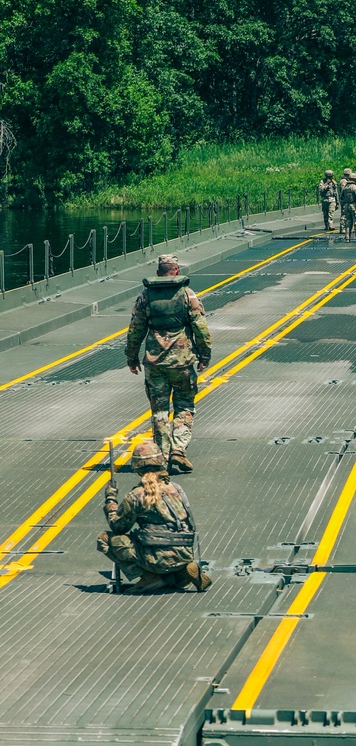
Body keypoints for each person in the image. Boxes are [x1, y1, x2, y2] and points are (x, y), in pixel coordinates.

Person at [126, 253, 211, 475]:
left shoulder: (146, 297)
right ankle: (179, 450)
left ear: (158, 273)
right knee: (184, 405)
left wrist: (132, 357)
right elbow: (200, 327)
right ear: (176, 270)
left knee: (159, 410)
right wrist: (204, 355)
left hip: (155, 363)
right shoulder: (187, 294)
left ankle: (161, 457)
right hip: (182, 362)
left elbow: (135, 329)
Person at [97, 441, 210, 593]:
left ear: (136, 467)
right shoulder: (176, 488)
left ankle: (149, 577)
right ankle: (180, 571)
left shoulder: (137, 495)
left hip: (155, 558)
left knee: (104, 539)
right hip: (183, 552)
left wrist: (111, 500)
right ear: (161, 462)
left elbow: (118, 527)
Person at [340, 171, 356, 242]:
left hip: (346, 206)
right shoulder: (355, 187)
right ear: (354, 179)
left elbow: (341, 197)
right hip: (354, 206)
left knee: (348, 222)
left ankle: (347, 238)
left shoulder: (345, 188)